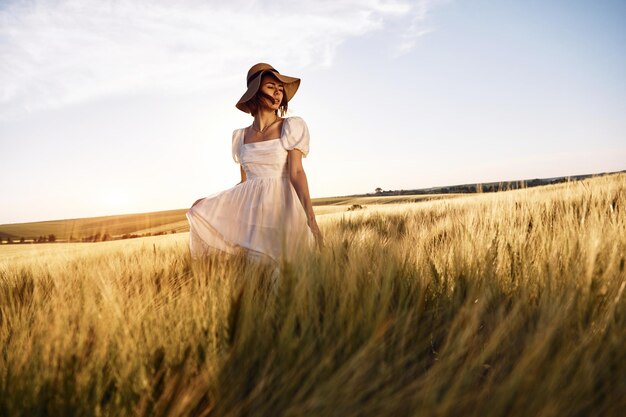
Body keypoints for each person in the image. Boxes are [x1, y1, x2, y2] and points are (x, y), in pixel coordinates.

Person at [186, 63, 323, 267]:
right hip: (254, 214)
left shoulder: (291, 126)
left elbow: (296, 172)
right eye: (270, 87)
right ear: (255, 92)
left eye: (280, 88)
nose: (277, 93)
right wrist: (210, 204)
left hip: (284, 208)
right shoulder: (240, 137)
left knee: (285, 272)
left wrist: (311, 219)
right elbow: (245, 183)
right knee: (261, 275)